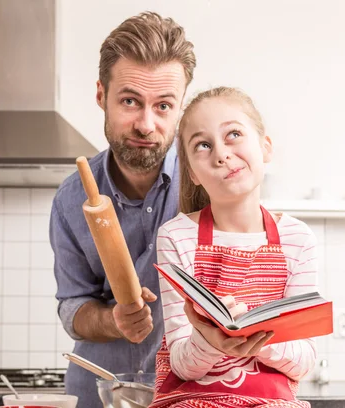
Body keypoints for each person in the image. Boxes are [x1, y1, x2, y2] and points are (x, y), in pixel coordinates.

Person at [49, 12, 196, 408]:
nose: (146, 124)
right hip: (99, 395)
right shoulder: (70, 200)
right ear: (102, 95)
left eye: (163, 105)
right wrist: (111, 320)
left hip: (188, 396)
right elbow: (72, 307)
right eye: (130, 101)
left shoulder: (206, 185)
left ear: (181, 107)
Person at [150, 87, 319, 407]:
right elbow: (183, 364)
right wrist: (213, 342)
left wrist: (254, 338)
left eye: (234, 134)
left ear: (265, 147)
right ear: (193, 174)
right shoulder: (175, 236)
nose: (221, 154)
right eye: (203, 145)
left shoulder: (298, 239)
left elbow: (304, 360)